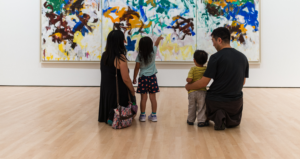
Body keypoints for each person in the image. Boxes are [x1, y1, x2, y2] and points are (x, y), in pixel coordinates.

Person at [185, 27, 249, 130]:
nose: (213, 44)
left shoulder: (215, 57)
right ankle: (228, 118)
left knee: (202, 95)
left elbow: (203, 83)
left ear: (219, 40)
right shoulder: (243, 57)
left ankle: (218, 116)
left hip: (216, 102)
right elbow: (243, 82)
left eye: (213, 41)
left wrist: (189, 86)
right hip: (235, 104)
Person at [98, 30, 136, 125]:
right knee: (131, 95)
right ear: (120, 41)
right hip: (118, 91)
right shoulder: (120, 57)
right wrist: (132, 91)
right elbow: (126, 79)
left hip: (106, 90)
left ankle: (109, 116)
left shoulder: (104, 55)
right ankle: (116, 116)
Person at [132, 36, 164, 122]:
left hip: (143, 78)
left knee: (143, 98)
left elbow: (137, 68)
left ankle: (142, 116)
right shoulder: (153, 51)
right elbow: (156, 44)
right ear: (150, 45)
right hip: (152, 77)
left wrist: (134, 78)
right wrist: (159, 38)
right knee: (153, 98)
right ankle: (154, 115)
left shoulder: (140, 56)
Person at [186, 50, 209, 127]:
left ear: (194, 60)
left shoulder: (193, 69)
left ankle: (190, 120)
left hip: (192, 92)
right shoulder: (206, 69)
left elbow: (189, 79)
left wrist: (187, 80)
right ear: (206, 61)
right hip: (202, 92)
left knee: (192, 106)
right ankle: (201, 121)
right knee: (202, 107)